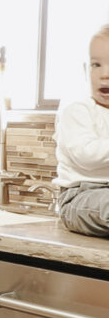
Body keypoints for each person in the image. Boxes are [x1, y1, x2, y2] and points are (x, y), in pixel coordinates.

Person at [54, 24, 109, 236]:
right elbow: (86, 154)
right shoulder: (76, 107)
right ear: (85, 70)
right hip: (80, 196)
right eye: (96, 65)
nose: (105, 74)